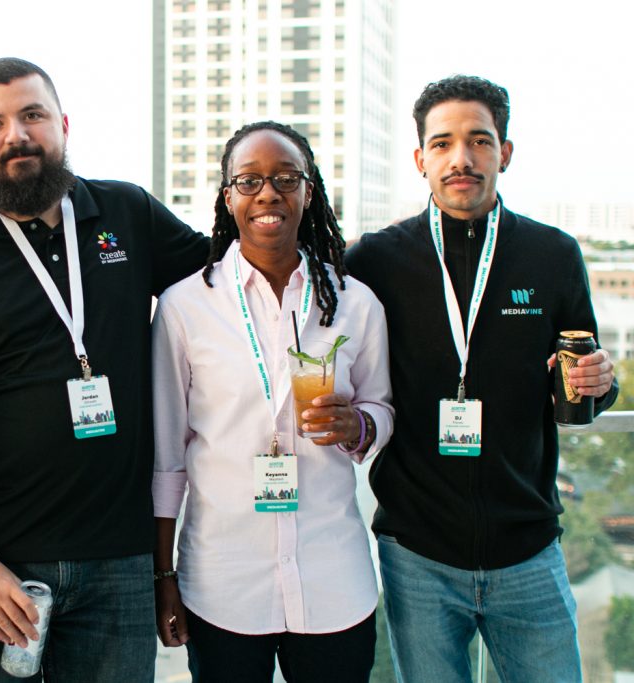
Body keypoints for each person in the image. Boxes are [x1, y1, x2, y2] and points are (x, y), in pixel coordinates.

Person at [0, 57, 208, 682]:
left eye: (32, 115)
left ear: (62, 123)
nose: (17, 135)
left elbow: (225, 283)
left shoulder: (127, 214)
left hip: (118, 561)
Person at [345, 75, 619, 682]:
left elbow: (584, 379)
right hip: (416, 554)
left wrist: (602, 385)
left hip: (528, 550)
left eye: (479, 140)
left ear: (506, 153)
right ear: (420, 159)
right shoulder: (375, 260)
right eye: (442, 143)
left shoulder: (553, 254)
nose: (461, 158)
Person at [152, 121, 393, 682]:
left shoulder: (355, 303)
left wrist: (358, 425)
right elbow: (168, 459)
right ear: (228, 197)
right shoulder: (186, 307)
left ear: (309, 192)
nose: (268, 193)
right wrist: (163, 576)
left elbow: (384, 407)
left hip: (334, 579)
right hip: (222, 583)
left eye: (287, 178)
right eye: (250, 180)